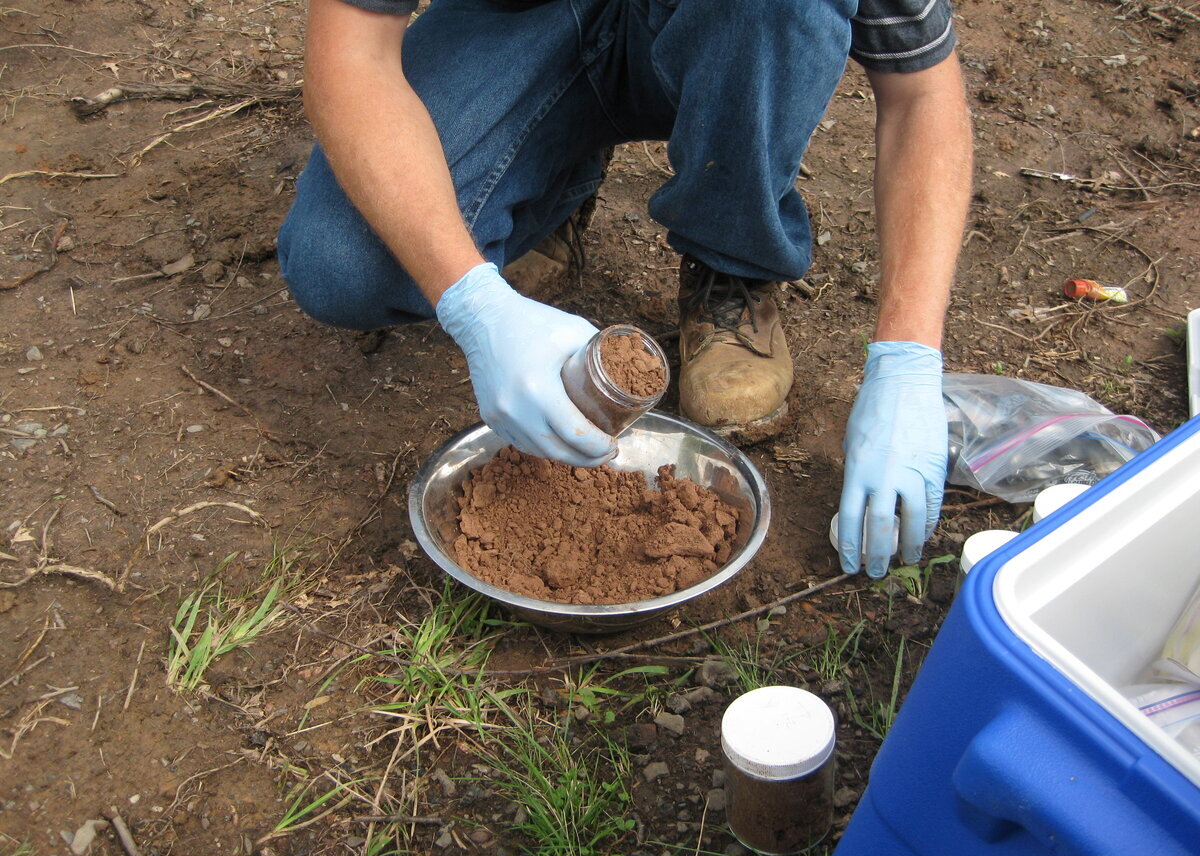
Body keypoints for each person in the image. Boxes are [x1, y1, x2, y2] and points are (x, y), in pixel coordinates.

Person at [277, 0, 973, 579]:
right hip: (530, 20)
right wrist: (469, 297)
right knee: (345, 262)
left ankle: (730, 257)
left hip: (731, 25)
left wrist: (907, 357)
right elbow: (353, 54)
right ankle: (549, 185)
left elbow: (920, 91)